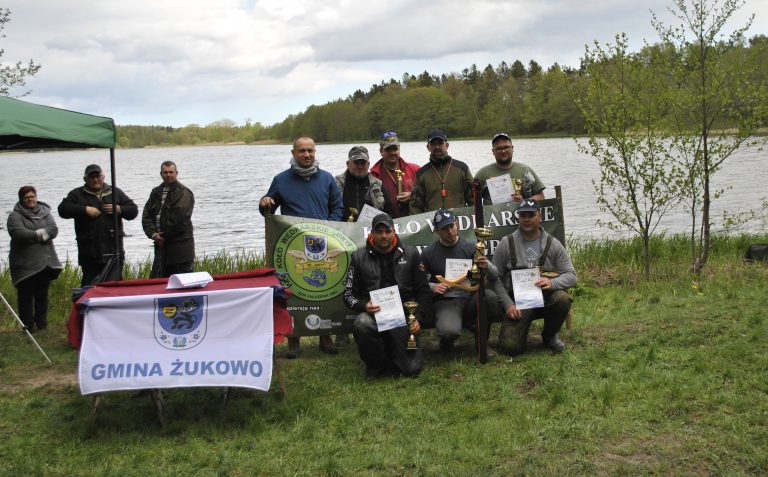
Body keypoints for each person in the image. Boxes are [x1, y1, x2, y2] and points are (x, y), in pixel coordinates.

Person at [259, 136, 344, 357]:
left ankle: (325, 337)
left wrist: (329, 227)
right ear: (293, 153)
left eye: (310, 151)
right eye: (302, 151)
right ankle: (293, 340)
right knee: (292, 290)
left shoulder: (326, 179)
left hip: (323, 243)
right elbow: (269, 208)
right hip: (294, 246)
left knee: (323, 289)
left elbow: (337, 207)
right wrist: (264, 202)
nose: (307, 155)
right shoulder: (281, 179)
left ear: (315, 152)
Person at [343, 213, 431, 379]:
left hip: (404, 316)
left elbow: (424, 291)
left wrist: (417, 317)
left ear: (394, 232)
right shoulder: (358, 257)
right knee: (362, 323)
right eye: (379, 232)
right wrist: (364, 306)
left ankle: (395, 356)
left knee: (411, 370)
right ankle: (377, 366)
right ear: (372, 234)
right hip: (374, 315)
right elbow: (348, 295)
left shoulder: (411, 254)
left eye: (387, 231)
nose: (384, 236)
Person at [491, 199, 576, 354]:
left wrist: (553, 283)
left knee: (562, 299)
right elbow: (494, 278)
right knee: (510, 349)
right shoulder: (506, 243)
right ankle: (520, 329)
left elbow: (571, 275)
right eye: (523, 215)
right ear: (518, 218)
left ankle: (550, 335)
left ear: (540, 216)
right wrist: (508, 304)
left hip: (546, 299)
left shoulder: (553, 243)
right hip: (519, 303)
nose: (527, 219)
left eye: (531, 215)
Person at [420, 208, 500, 352]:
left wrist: (486, 265)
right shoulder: (428, 253)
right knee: (449, 331)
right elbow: (419, 281)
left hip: (470, 297)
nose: (450, 231)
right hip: (446, 301)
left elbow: (495, 275)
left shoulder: (472, 247)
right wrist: (432, 286)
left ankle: (481, 341)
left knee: (490, 298)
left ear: (457, 224)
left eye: (451, 226)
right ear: (437, 231)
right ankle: (447, 339)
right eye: (444, 229)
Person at [58, 164, 138, 287]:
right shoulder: (76, 194)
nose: (95, 180)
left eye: (98, 176)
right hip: (89, 253)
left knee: (115, 288)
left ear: (103, 177)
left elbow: (133, 211)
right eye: (92, 177)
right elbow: (63, 210)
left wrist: (119, 209)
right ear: (85, 179)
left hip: (114, 251)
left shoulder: (115, 192)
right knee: (90, 288)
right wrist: (84, 210)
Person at [6, 186, 63, 332]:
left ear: (36, 197)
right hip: (24, 264)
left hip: (45, 262)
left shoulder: (46, 213)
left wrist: (35, 235)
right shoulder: (14, 216)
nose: (30, 199)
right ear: (21, 199)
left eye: (32, 196)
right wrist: (41, 235)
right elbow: (19, 233)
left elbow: (53, 230)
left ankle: (42, 324)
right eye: (26, 197)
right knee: (25, 296)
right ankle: (28, 326)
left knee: (42, 294)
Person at [142, 161, 195, 278]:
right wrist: (153, 234)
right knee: (158, 285)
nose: (168, 175)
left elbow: (180, 220)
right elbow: (146, 216)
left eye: (171, 172)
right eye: (165, 172)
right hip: (161, 248)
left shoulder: (184, 192)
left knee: (183, 286)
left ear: (177, 173)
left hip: (181, 250)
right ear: (161, 174)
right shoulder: (155, 192)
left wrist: (163, 236)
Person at [410, 129, 474, 215]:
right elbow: (415, 206)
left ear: (446, 145)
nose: (437, 147)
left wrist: (472, 218)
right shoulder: (421, 174)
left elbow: (473, 199)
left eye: (440, 143)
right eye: (433, 144)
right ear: (428, 147)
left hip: (459, 222)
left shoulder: (462, 168)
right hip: (432, 224)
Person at [474, 133, 545, 204]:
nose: (503, 151)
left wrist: (524, 201)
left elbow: (541, 196)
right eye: (499, 148)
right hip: (491, 214)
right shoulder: (482, 174)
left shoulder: (526, 170)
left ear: (512, 148)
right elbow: (472, 200)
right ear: (493, 151)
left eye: (506, 147)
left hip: (521, 214)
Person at [369, 132, 420, 218]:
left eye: (395, 149)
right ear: (381, 151)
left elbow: (427, 194)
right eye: (388, 149)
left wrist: (412, 195)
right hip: (387, 227)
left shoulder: (415, 169)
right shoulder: (373, 176)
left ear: (399, 149)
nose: (392, 152)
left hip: (414, 223)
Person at [334, 145, 388, 220]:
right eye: (356, 162)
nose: (360, 166)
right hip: (342, 229)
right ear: (348, 164)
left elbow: (389, 210)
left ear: (368, 164)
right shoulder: (335, 183)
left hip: (370, 229)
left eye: (363, 163)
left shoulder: (378, 185)